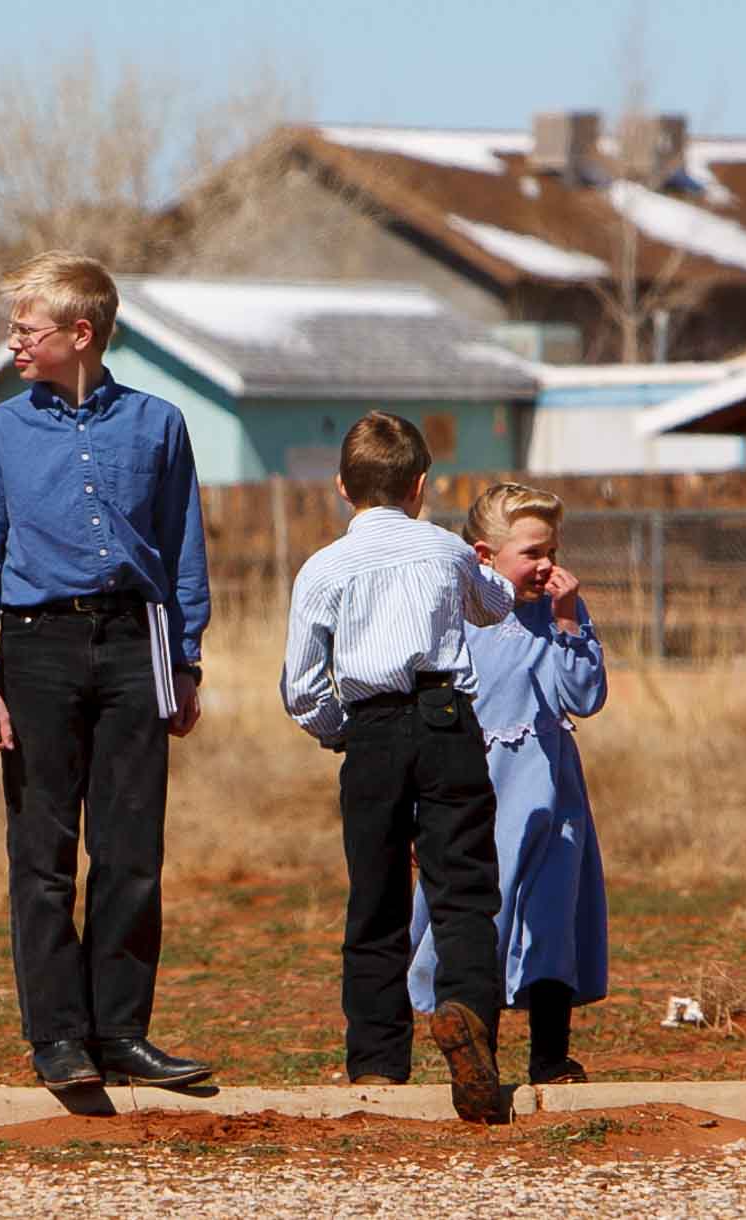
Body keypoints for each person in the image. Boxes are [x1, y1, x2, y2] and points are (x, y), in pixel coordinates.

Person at [0, 251, 213, 1094]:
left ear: (81, 333)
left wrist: (186, 659)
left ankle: (122, 1035)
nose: (14, 343)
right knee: (44, 851)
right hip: (34, 652)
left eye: (27, 330)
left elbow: (183, 550)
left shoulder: (160, 425)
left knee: (133, 850)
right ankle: (57, 1039)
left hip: (138, 647)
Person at [279, 412, 516, 1123]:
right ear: (420, 486)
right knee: (463, 889)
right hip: (446, 721)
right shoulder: (445, 550)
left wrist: (339, 732)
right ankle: (470, 1019)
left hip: (373, 730)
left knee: (376, 896)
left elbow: (301, 686)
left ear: (341, 488)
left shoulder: (324, 567)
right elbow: (495, 606)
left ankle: (376, 1063)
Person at [406, 482, 609, 1086]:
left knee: (551, 920)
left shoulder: (559, 615)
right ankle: (479, 1057)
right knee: (481, 926)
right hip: (481, 794)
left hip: (552, 795)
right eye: (531, 552)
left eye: (552, 549)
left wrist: (571, 622)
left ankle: (550, 1056)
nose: (546, 564)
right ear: (484, 556)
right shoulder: (458, 616)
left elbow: (585, 696)